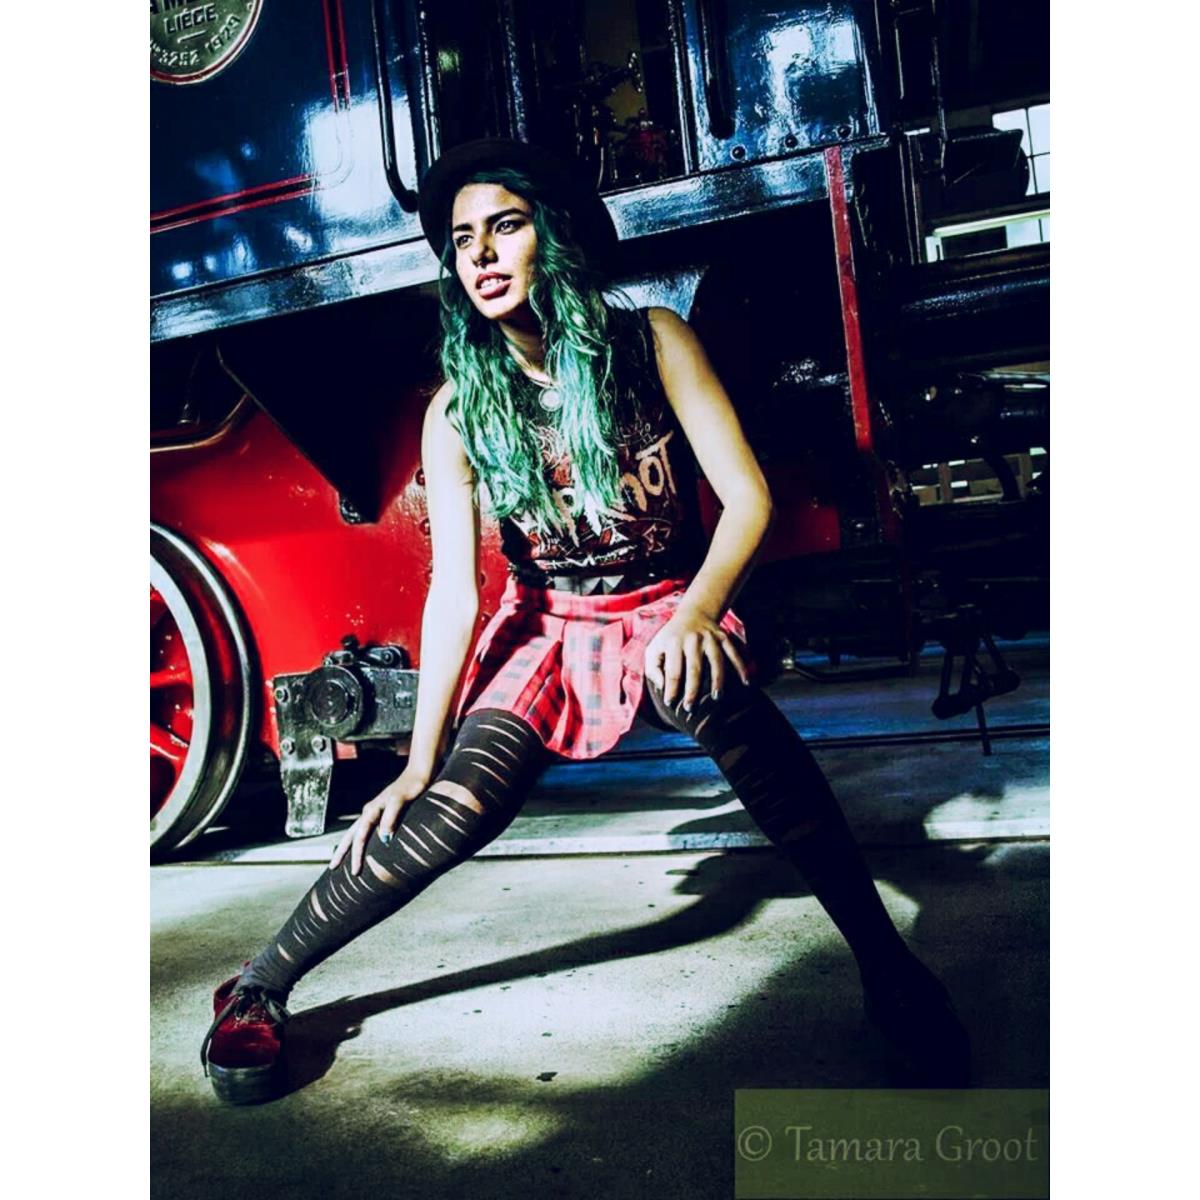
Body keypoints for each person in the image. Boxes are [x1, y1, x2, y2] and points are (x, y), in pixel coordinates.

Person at [200, 139, 969, 1104]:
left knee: (721, 702)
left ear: (555, 237)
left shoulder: (651, 342)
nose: (481, 255)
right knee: (453, 810)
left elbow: (748, 498)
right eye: (462, 240)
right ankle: (260, 983)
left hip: (662, 600)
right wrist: (419, 761)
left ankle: (887, 966)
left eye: (505, 227)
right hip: (549, 621)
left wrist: (699, 611)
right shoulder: (458, 409)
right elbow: (454, 594)